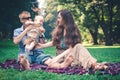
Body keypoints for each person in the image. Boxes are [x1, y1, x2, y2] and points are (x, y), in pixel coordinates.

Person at [37, 9, 108, 70]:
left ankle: (95, 65)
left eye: (59, 18)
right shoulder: (59, 29)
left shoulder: (73, 30)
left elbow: (72, 48)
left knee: (78, 46)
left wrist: (57, 57)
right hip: (62, 56)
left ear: (65, 19)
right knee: (80, 51)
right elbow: (54, 42)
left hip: (70, 54)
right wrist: (42, 46)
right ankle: (96, 65)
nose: (57, 20)